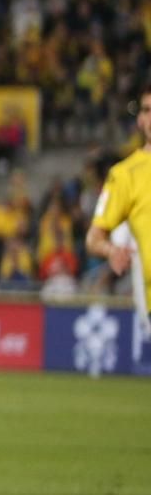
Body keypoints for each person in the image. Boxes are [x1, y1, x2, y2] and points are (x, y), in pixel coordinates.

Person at [87, 87, 151, 331]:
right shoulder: (125, 175)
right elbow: (94, 238)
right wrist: (112, 250)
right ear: (140, 119)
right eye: (147, 110)